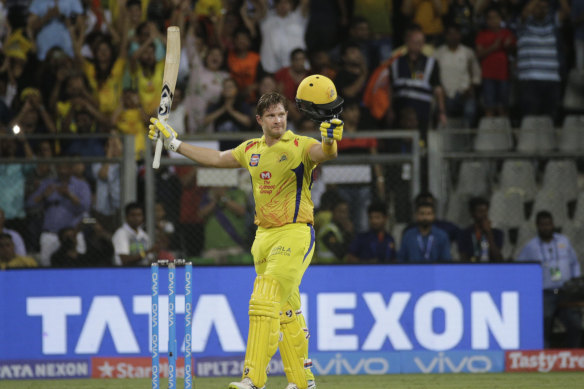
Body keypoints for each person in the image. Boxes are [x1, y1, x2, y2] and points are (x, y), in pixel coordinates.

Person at [148, 74, 344, 389]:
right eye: (272, 116)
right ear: (260, 120)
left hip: (294, 233)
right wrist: (173, 142)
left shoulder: (300, 145)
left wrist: (331, 138)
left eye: (282, 114)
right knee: (286, 309)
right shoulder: (250, 150)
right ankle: (302, 380)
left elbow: (326, 153)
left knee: (264, 298)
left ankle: (253, 379)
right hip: (263, 238)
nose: (278, 120)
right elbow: (214, 158)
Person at [516, 211, 582, 348]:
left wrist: (575, 279)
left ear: (553, 224)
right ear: (537, 226)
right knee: (544, 322)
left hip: (566, 291)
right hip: (545, 292)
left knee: (575, 323)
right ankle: (545, 354)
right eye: (542, 225)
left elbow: (574, 262)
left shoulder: (564, 241)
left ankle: (572, 354)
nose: (546, 228)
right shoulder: (531, 247)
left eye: (548, 224)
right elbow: (521, 268)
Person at [27, 162, 91, 266]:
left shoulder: (82, 185)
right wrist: (43, 195)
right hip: (51, 235)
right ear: (56, 168)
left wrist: (69, 195)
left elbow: (86, 209)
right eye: (60, 168)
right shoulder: (47, 184)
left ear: (71, 169)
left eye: (65, 168)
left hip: (73, 235)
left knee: (79, 268)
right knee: (48, 268)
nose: (63, 171)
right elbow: (29, 204)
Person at [434, 24, 481, 127]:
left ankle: (467, 138)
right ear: (445, 36)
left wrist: (471, 88)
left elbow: (476, 74)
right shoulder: (438, 53)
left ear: (460, 35)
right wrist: (440, 91)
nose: (453, 36)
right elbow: (434, 76)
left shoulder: (468, 52)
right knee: (435, 110)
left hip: (464, 94)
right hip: (445, 95)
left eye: (456, 33)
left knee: (470, 111)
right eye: (450, 34)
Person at [475, 7, 515, 117]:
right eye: (490, 18)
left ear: (500, 19)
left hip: (504, 75)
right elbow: (478, 55)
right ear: (486, 21)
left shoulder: (507, 33)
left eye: (496, 18)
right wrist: (494, 47)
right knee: (489, 107)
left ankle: (503, 132)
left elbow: (514, 52)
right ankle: (490, 133)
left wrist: (509, 46)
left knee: (503, 107)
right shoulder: (482, 34)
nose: (493, 21)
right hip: (488, 75)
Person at [199, 186, 248, 264]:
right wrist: (214, 201)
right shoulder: (208, 194)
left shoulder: (238, 193)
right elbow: (200, 215)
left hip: (233, 246)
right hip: (212, 247)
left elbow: (241, 211)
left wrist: (223, 198)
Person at [458, 197, 504, 262]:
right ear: (472, 213)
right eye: (480, 211)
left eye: (485, 211)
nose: (484, 215)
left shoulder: (497, 233)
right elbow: (463, 258)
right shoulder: (464, 234)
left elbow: (498, 258)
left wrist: (489, 234)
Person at [111, 202, 157, 266]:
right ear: (126, 217)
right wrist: (148, 252)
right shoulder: (121, 234)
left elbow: (149, 259)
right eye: (133, 215)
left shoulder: (144, 235)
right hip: (125, 271)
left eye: (139, 215)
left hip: (143, 271)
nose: (136, 218)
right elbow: (124, 260)